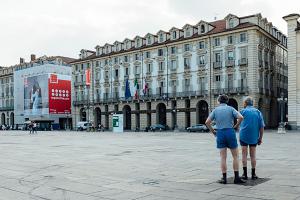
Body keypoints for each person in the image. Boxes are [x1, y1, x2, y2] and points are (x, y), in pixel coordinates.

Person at [205, 94, 245, 184]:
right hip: (230, 132)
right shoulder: (231, 109)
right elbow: (241, 117)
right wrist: (235, 126)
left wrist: (213, 131)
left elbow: (207, 122)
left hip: (220, 133)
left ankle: (224, 178)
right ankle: (236, 178)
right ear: (227, 101)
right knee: (235, 156)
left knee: (223, 157)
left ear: (219, 101)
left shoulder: (215, 110)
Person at [239, 96, 265, 180]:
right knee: (253, 155)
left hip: (243, 135)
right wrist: (260, 138)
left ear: (245, 103)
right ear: (252, 103)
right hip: (254, 136)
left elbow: (238, 122)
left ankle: (245, 174)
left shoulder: (242, 111)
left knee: (244, 154)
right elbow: (261, 127)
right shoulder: (258, 112)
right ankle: (253, 174)